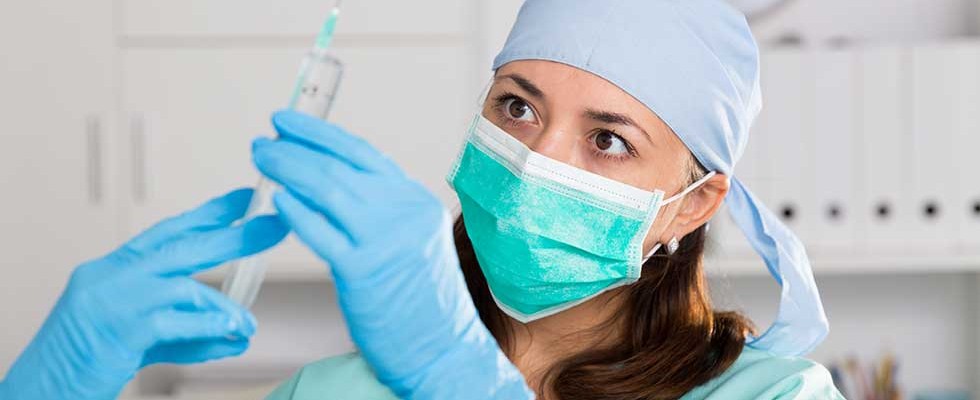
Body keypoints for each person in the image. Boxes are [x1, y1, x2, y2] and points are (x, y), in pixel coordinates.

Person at [0, 0, 842, 399]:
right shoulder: (325, 394)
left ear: (694, 204)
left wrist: (457, 381)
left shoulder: (773, 398)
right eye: (516, 106)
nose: (532, 159)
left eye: (608, 138)